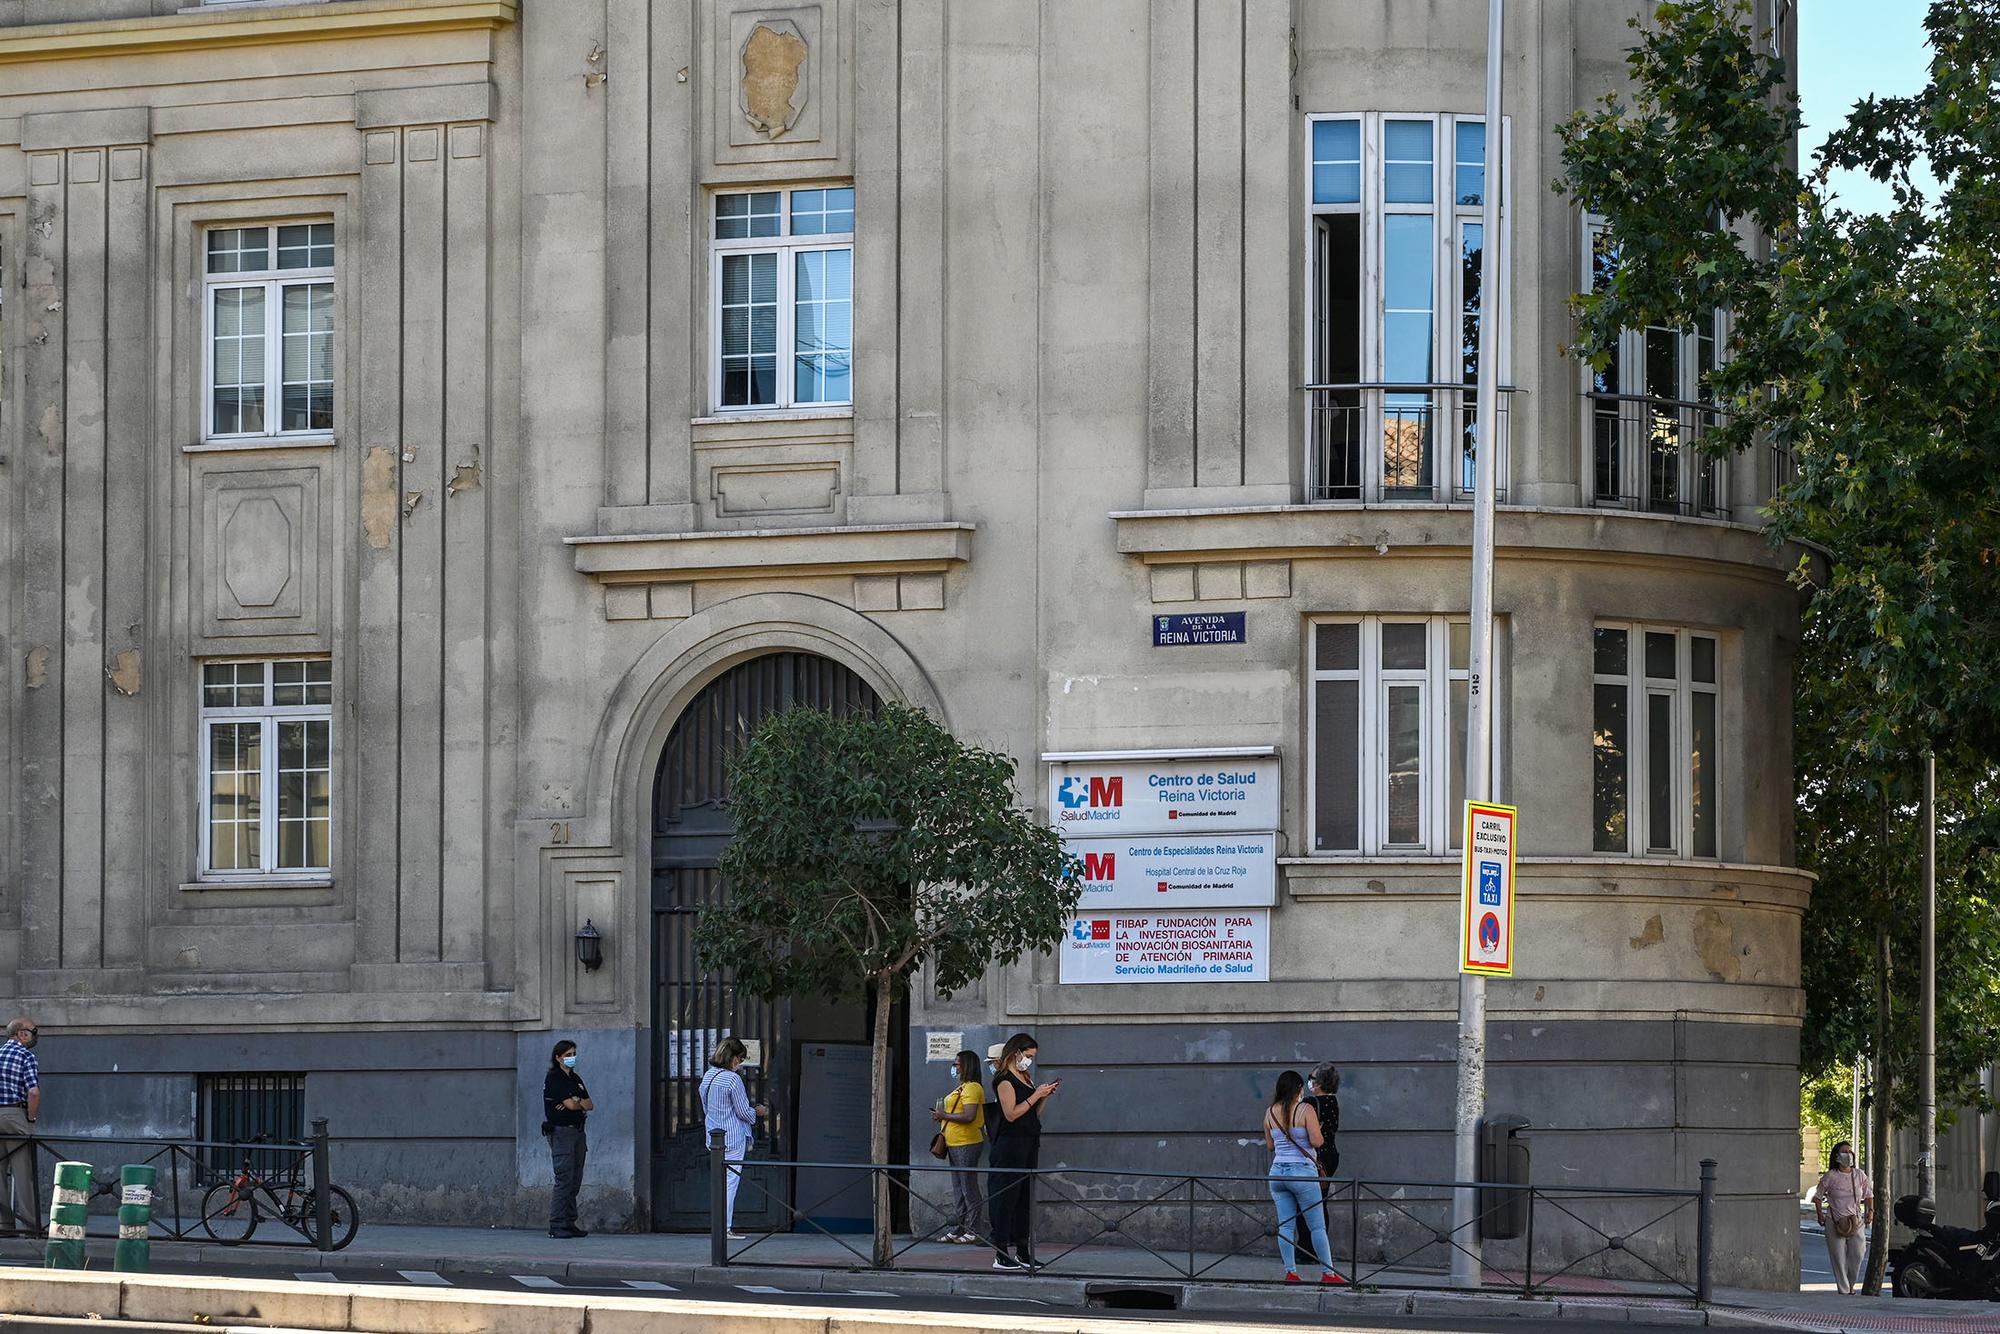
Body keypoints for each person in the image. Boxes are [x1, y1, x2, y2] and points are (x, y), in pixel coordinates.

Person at [987, 1032, 1057, 1272]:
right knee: (1006, 1197)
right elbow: (1011, 1114)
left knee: (1023, 1199)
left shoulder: (1025, 1077)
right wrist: (1036, 1095)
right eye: (1027, 1055)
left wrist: (1043, 1097)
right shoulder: (1004, 1079)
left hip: (1028, 1142)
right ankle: (1001, 1252)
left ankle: (1023, 1251)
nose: (1029, 1061)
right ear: (1016, 1052)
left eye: (1032, 1057)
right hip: (1009, 1145)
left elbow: (1031, 1114)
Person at [1264, 1070, 1338, 1283]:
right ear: (1298, 1089)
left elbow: (1270, 1146)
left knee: (1286, 1225)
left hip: (1277, 1173)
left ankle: (1291, 1272)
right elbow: (1317, 1142)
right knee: (1317, 1226)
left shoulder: (1269, 1112)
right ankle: (1329, 1274)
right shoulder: (1305, 1109)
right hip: (1302, 1173)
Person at [700, 1037, 768, 1240]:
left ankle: (719, 1226)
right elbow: (742, 1112)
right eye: (740, 1059)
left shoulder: (709, 1076)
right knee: (731, 1182)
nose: (740, 1063)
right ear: (733, 1058)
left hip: (714, 1137)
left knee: (719, 1182)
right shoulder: (732, 1079)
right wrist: (758, 1111)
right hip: (733, 1137)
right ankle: (725, 1227)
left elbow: (705, 1106)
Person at [930, 1049, 986, 1243]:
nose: (954, 1068)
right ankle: (958, 1228)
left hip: (966, 1142)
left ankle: (974, 1230)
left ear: (966, 1066)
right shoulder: (961, 1087)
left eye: (957, 1064)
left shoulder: (972, 1088)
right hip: (954, 1142)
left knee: (968, 1187)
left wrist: (944, 1116)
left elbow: (969, 1116)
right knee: (958, 1188)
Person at [542, 1039, 593, 1239]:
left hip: (578, 1132)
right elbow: (570, 1106)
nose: (572, 1058)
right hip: (562, 1132)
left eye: (573, 1054)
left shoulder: (575, 1079)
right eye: (568, 1055)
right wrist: (574, 1102)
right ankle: (557, 1225)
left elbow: (589, 1105)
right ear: (558, 1057)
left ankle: (569, 1222)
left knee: (575, 1179)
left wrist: (576, 1100)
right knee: (564, 1179)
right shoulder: (555, 1078)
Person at [1810, 1140, 1873, 1295]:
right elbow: (1817, 1197)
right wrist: (1820, 1214)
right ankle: (1844, 1290)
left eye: (1850, 1152)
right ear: (1837, 1156)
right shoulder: (1830, 1176)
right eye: (1844, 1152)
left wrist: (1870, 1211)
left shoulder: (1859, 1175)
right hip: (1835, 1221)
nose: (1848, 1155)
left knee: (1858, 1254)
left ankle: (1851, 1283)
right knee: (1838, 1258)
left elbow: (1869, 1194)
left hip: (1855, 1221)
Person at [0, 1018, 39, 1237]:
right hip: (15, 1114)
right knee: (24, 1173)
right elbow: (33, 1092)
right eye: (33, 1031)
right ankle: (31, 1227)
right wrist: (31, 1119)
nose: (34, 1036)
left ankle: (4, 1226)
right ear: (21, 1034)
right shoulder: (26, 1056)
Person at [1304, 1062, 1340, 1178]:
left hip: (1315, 1157)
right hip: (1330, 1154)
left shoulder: (1310, 1103)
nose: (1309, 1081)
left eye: (1311, 1078)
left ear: (1319, 1083)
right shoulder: (1333, 1101)